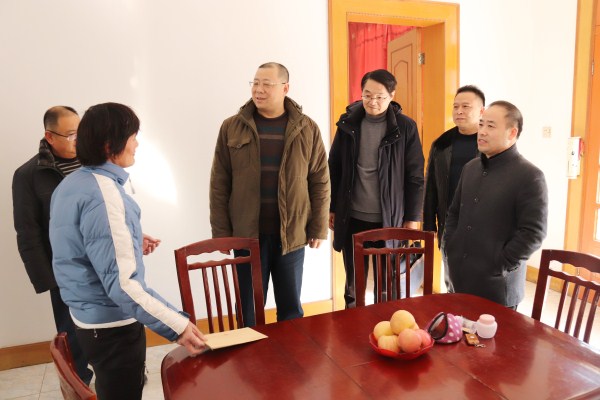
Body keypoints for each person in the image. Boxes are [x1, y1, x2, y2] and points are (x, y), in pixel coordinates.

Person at [49, 102, 207, 400]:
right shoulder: (104, 195)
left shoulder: (73, 183)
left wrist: (128, 237)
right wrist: (179, 327)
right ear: (110, 145)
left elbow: (79, 241)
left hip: (87, 320)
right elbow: (123, 286)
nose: (137, 144)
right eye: (133, 136)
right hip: (112, 327)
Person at [209, 62, 330, 326]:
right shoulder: (232, 127)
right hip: (247, 235)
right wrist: (221, 234)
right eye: (255, 83)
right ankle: (249, 353)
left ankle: (289, 352)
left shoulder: (307, 128)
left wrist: (318, 227)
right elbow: (219, 183)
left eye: (266, 84)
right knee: (248, 310)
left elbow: (320, 180)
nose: (258, 89)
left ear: (285, 88)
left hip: (292, 234)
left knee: (291, 311)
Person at [328, 69, 425, 308]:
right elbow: (334, 167)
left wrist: (412, 217)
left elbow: (415, 175)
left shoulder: (405, 127)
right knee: (354, 285)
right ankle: (353, 324)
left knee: (387, 285)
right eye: (367, 95)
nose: (372, 101)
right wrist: (332, 207)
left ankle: (386, 323)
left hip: (388, 219)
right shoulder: (348, 123)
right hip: (352, 216)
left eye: (380, 97)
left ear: (392, 95)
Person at [12, 106, 93, 384]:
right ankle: (78, 384)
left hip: (101, 259)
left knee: (115, 323)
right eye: (71, 135)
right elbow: (27, 231)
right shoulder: (28, 175)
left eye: (81, 132)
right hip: (64, 268)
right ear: (49, 136)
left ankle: (119, 375)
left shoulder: (93, 161)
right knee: (72, 333)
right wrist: (48, 280)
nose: (78, 140)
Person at [442, 100, 548, 308]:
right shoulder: (470, 168)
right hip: (458, 279)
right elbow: (454, 213)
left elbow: (533, 233)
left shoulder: (530, 176)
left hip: (496, 287)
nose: (482, 131)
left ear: (512, 133)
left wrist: (501, 264)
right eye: (481, 124)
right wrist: (449, 247)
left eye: (490, 126)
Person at [423, 85, 485, 244]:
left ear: (481, 111)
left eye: (466, 106)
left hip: (483, 226)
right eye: (456, 107)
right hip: (449, 224)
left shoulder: (491, 143)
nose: (459, 111)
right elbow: (431, 186)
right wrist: (429, 225)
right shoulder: (441, 144)